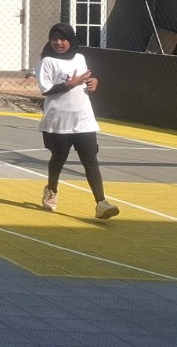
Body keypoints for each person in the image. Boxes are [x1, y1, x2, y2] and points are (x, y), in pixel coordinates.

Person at [36, 23, 119, 220]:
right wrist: (69, 84)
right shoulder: (47, 61)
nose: (58, 42)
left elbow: (86, 79)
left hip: (83, 119)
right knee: (59, 158)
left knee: (90, 160)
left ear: (71, 39)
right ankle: (52, 189)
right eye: (54, 39)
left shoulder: (80, 58)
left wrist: (93, 82)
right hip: (59, 120)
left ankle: (101, 203)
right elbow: (45, 89)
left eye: (62, 38)